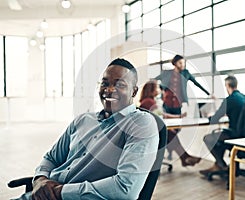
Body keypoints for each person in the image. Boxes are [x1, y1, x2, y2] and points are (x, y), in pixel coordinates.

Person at [15, 58, 159, 200]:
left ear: (133, 92)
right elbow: (51, 158)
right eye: (105, 83)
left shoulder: (141, 123)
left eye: (120, 84)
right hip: (42, 195)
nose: (109, 90)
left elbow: (126, 188)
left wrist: (60, 192)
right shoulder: (83, 120)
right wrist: (40, 179)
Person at [154, 55, 211, 164]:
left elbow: (196, 84)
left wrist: (209, 94)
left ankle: (170, 149)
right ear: (175, 63)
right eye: (180, 63)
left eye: (183, 63)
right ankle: (173, 151)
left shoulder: (186, 73)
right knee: (168, 129)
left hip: (178, 105)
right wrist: (160, 90)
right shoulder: (167, 73)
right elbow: (154, 80)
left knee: (176, 129)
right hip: (167, 104)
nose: (183, 65)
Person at [139, 80, 201, 167]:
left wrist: (179, 116)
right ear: (151, 89)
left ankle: (184, 157)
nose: (159, 89)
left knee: (171, 134)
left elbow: (161, 115)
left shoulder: (148, 101)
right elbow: (162, 115)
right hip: (149, 134)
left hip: (149, 131)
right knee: (171, 134)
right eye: (157, 87)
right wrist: (179, 116)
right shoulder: (149, 102)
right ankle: (185, 157)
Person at [198, 76, 245, 175]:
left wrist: (209, 117)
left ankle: (222, 165)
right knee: (219, 140)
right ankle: (218, 165)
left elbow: (215, 119)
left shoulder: (229, 100)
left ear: (227, 86)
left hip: (235, 134)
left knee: (208, 138)